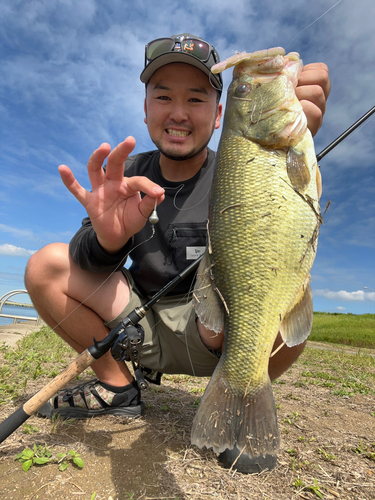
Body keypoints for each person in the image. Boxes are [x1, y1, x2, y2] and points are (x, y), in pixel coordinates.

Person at [25, 34, 330, 421]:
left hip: (214, 333)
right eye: (164, 97)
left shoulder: (244, 167)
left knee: (284, 297)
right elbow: (83, 261)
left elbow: (296, 217)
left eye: (197, 99)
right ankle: (117, 386)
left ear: (220, 115)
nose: (179, 113)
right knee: (46, 265)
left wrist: (299, 142)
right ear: (146, 108)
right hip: (136, 330)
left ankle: (241, 397)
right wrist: (107, 238)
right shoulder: (128, 173)